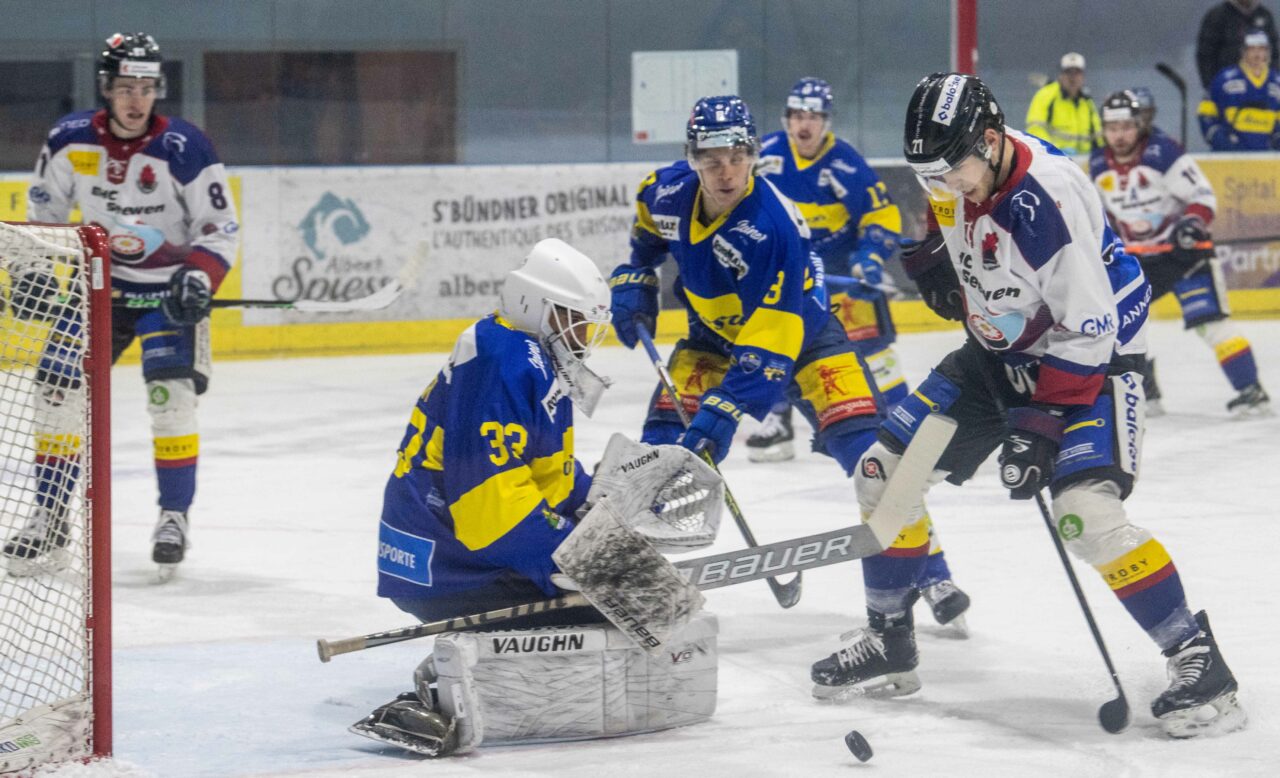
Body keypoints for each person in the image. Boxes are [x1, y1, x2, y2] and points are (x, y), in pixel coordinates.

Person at [809, 72, 1246, 739]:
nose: (943, 188)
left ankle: (1198, 659)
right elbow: (956, 215)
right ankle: (891, 640)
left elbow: (1090, 325)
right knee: (881, 473)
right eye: (930, 176)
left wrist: (1040, 426)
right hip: (993, 357)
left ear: (990, 140)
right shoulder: (959, 170)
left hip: (1090, 362)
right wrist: (940, 261)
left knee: (1085, 514)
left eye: (951, 172)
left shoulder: (1047, 198)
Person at [355, 239, 721, 758]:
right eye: (573, 319)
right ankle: (451, 684)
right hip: (447, 566)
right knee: (622, 615)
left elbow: (543, 475)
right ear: (537, 305)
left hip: (461, 551)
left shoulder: (534, 356)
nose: (582, 335)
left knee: (653, 607)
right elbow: (489, 508)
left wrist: (599, 501)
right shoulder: (502, 362)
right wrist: (568, 555)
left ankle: (478, 667)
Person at [6, 32, 238, 577]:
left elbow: (219, 227)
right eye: (126, 87)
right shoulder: (69, 140)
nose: (137, 99)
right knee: (55, 390)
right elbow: (42, 218)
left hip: (165, 296)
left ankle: (173, 517)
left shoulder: (185, 147)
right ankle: (50, 515)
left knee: (171, 399)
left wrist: (199, 278)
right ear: (106, 88)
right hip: (97, 291)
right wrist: (35, 271)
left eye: (147, 87)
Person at [753, 77, 971, 629]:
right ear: (785, 119)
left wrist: (873, 256)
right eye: (795, 114)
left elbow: (880, 219)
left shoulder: (845, 165)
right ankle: (780, 421)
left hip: (848, 308)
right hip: (792, 310)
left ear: (826, 122)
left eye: (814, 116)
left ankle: (934, 570)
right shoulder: (764, 161)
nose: (804, 124)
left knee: (889, 444)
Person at [1091, 90, 1270, 416]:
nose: (1119, 135)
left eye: (1126, 126)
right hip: (1141, 262)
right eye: (1112, 127)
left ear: (1140, 125)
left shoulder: (1163, 153)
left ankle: (1252, 391)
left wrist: (1191, 222)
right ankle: (1145, 392)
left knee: (1211, 325)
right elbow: (1106, 216)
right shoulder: (1098, 162)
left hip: (1186, 258)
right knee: (1120, 326)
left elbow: (1202, 195)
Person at [1199, 30, 1280, 150]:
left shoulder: (1276, 83)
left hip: (1266, 162)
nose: (1257, 55)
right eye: (1252, 49)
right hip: (1229, 162)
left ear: (1268, 52)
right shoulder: (1224, 79)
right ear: (1243, 52)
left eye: (1262, 49)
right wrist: (1220, 140)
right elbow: (1206, 114)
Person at [1025, 52, 1102, 155]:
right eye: (1068, 72)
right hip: (1054, 159)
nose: (1072, 78)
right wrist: (1054, 151)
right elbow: (1035, 128)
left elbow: (1098, 136)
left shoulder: (1087, 102)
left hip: (1084, 162)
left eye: (1077, 73)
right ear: (1061, 75)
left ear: (1083, 77)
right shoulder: (1046, 94)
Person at [1197, 0, 1279, 90]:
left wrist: (1273, 84)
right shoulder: (1217, 16)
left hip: (1263, 94)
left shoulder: (1265, 16)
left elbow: (1275, 55)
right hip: (1227, 92)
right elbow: (1206, 55)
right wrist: (1213, 88)